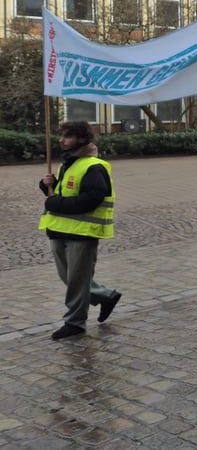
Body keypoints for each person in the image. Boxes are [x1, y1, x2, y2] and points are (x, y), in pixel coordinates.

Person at [39, 121, 121, 340]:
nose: (61, 140)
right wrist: (48, 184)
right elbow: (62, 192)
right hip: (59, 230)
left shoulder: (94, 167)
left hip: (82, 233)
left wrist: (54, 203)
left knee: (76, 280)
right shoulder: (67, 164)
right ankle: (105, 296)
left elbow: (91, 199)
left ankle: (74, 322)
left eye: (67, 136)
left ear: (83, 139)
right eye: (61, 136)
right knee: (69, 277)